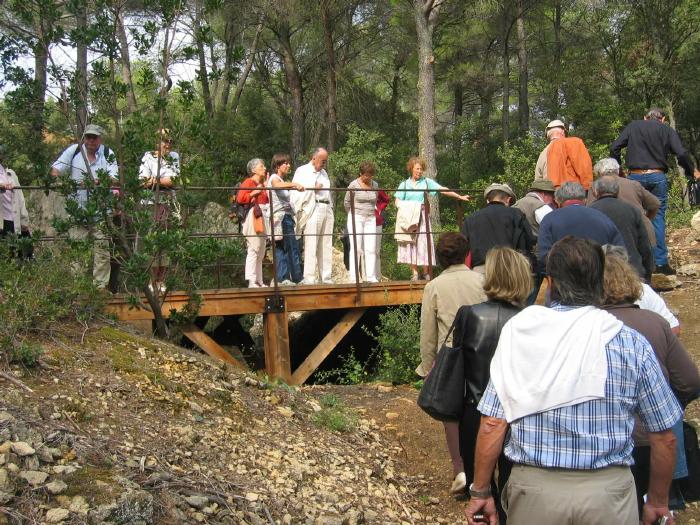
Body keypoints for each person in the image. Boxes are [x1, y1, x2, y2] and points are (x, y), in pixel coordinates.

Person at [466, 236, 682, 525]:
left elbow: (493, 422)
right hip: (608, 495)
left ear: (550, 283)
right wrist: (657, 500)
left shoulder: (521, 335)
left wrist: (480, 491)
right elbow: (664, 436)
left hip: (536, 493)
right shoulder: (630, 343)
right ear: (600, 283)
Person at [602, 252, 700, 516]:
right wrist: (668, 404)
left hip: (606, 442)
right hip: (652, 439)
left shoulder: (586, 327)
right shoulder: (655, 322)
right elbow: (690, 381)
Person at [452, 247, 532, 519]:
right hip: (518, 413)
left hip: (474, 411)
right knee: (515, 488)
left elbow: (460, 365)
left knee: (479, 488)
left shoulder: (468, 315)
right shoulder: (531, 319)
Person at [417, 232, 486, 495]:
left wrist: (428, 367)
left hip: (448, 356)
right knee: (481, 411)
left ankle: (459, 469)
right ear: (467, 254)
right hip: (481, 353)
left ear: (439, 257)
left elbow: (428, 332)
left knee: (451, 414)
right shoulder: (481, 281)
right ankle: (482, 468)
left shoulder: (433, 286)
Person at [610, 107, 700, 275]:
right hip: (657, 175)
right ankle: (660, 264)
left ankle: (634, 263)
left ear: (645, 117)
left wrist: (619, 170)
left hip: (634, 177)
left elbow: (614, 147)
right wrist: (691, 171)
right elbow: (681, 153)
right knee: (657, 217)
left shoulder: (634, 126)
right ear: (663, 119)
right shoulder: (666, 129)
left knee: (634, 217)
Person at [50, 124, 119, 290]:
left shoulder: (108, 153)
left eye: (94, 137)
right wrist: (66, 183)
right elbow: (55, 171)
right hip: (77, 212)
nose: (91, 140)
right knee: (77, 251)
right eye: (88, 137)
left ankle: (100, 289)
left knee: (102, 252)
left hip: (102, 211)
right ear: (84, 138)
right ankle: (78, 288)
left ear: (100, 138)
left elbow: (114, 177)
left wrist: (98, 181)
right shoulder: (74, 151)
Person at [394, 157, 470, 280]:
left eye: (421, 169)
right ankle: (414, 273)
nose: (419, 171)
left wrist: (459, 196)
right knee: (410, 242)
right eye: (417, 169)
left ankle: (425, 272)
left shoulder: (426, 182)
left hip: (422, 216)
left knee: (424, 241)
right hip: (408, 217)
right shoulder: (404, 184)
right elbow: (397, 201)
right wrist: (407, 208)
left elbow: (442, 189)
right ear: (411, 169)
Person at [537, 181, 624, 275]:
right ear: (585, 199)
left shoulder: (549, 220)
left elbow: (544, 257)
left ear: (558, 200)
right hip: (597, 278)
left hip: (562, 279)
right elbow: (619, 254)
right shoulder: (603, 218)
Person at [589, 175, 654, 282]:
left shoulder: (589, 211)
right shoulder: (632, 210)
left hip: (601, 274)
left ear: (595, 192)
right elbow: (644, 246)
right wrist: (648, 271)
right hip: (632, 270)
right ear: (617, 191)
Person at [138, 129, 180, 292]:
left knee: (166, 242)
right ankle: (152, 280)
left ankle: (161, 280)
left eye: (170, 141)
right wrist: (162, 181)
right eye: (164, 140)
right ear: (157, 141)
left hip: (168, 203)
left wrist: (154, 180)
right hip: (150, 203)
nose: (168, 144)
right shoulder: (148, 156)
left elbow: (174, 180)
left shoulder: (174, 156)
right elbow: (142, 181)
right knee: (152, 241)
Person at [461, 183, 534, 274]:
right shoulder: (516, 214)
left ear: (488, 200)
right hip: (510, 269)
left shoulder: (470, 219)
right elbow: (528, 241)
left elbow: (463, 247)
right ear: (508, 200)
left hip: (481, 271)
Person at [587, 157, 659, 245]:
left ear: (599, 173)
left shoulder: (595, 187)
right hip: (641, 233)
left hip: (613, 238)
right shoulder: (633, 184)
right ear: (617, 170)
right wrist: (646, 218)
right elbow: (655, 204)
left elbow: (590, 213)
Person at [291, 148, 334, 285]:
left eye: (326, 161)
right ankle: (309, 277)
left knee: (326, 243)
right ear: (314, 158)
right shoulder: (302, 170)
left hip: (326, 206)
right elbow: (296, 190)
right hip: (313, 206)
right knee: (311, 242)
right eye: (322, 161)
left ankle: (325, 277)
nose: (324, 163)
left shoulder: (324, 173)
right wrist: (313, 187)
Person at [268, 153, 305, 286]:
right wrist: (295, 184)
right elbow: (276, 186)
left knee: (283, 247)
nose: (289, 166)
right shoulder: (274, 178)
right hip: (281, 217)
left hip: (283, 217)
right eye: (286, 163)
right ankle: (296, 278)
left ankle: (284, 278)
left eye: (289, 163)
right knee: (290, 247)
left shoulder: (281, 180)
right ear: (278, 165)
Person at [344, 161, 379, 282]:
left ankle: (371, 276)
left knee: (371, 247)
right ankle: (354, 277)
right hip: (356, 217)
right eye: (366, 175)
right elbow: (347, 202)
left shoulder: (375, 185)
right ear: (361, 173)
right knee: (356, 247)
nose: (368, 178)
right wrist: (353, 214)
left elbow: (375, 200)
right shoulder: (353, 185)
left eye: (370, 175)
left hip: (370, 218)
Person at [237, 158, 270, 288]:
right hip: (254, 216)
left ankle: (259, 281)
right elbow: (240, 198)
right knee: (254, 248)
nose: (264, 168)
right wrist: (254, 193)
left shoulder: (262, 184)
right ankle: (251, 280)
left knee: (261, 250)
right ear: (253, 169)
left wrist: (266, 188)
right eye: (261, 166)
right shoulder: (249, 182)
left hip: (262, 215)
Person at [535, 120, 593, 190]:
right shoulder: (572, 144)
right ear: (563, 132)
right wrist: (588, 188)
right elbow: (584, 170)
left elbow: (538, 182)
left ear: (548, 135)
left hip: (548, 193)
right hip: (571, 192)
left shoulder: (542, 155)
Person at [0, 144, 30, 239]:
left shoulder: (10, 173)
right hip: (2, 222)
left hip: (15, 220)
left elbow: (20, 197)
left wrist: (24, 219)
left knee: (26, 246)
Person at [374, 188, 390, 280]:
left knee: (376, 250)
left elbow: (386, 199)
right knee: (362, 250)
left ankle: (377, 276)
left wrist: (379, 209)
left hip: (377, 222)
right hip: (361, 221)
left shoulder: (376, 188)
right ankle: (365, 276)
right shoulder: (356, 186)